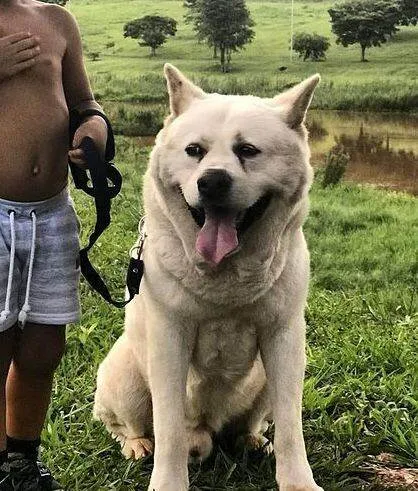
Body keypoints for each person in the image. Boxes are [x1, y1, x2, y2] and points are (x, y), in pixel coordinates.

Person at [0, 0, 110, 489]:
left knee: (45, 346)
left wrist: (94, 131)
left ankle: (22, 462)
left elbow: (85, 103)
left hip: (52, 214)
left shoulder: (56, 20)